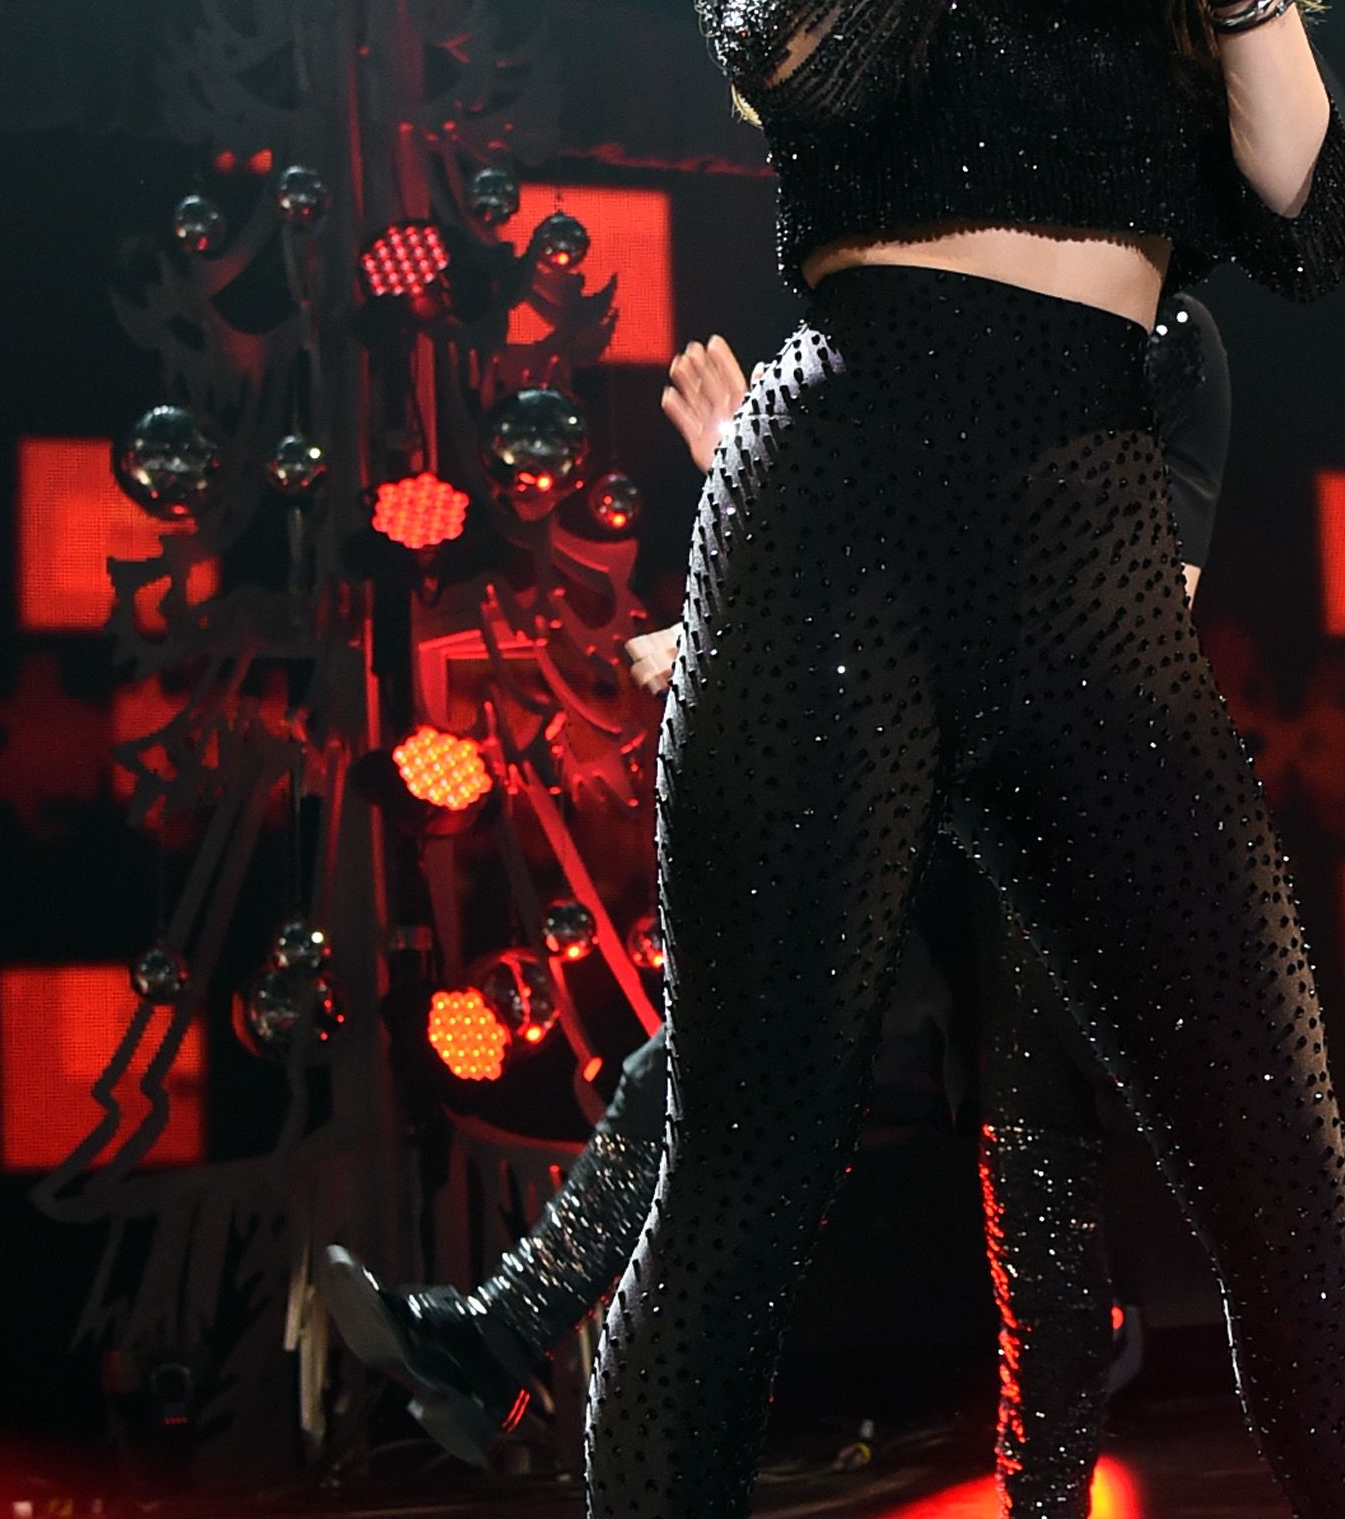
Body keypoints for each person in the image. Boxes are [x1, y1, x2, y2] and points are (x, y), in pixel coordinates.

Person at [580, 0, 1345, 1519]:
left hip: (1081, 531)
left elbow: (1314, 228)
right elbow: (812, 70)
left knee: (1285, 1178)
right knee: (743, 1176)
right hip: (844, 503)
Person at [319, 297, 1232, 1519]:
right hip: (919, 815)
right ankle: (495, 1339)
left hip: (1045, 839)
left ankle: (1054, 1475)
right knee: (704, 1064)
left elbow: (1117, 616)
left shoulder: (1158, 338)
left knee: (1035, 1199)